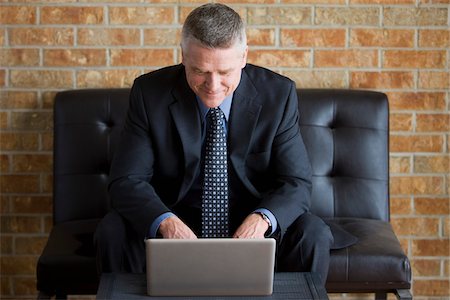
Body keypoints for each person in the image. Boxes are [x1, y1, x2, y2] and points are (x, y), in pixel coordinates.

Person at [95, 3, 352, 284]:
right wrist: (166, 223)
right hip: (175, 218)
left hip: (251, 221)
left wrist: (263, 220)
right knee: (112, 230)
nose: (213, 85)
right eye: (200, 71)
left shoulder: (278, 95)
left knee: (312, 232)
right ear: (183, 56)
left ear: (244, 56)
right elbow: (127, 181)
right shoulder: (149, 93)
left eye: (225, 72)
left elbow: (296, 181)